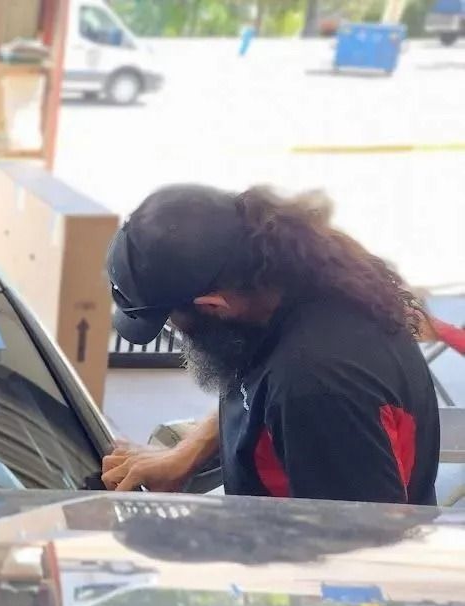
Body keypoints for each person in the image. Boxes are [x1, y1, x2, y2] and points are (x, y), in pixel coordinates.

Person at [100, 184, 440, 504]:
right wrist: (185, 454)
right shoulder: (282, 282)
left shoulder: (317, 386)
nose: (173, 329)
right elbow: (254, 387)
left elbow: (362, 551)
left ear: (213, 305)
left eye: (169, 318)